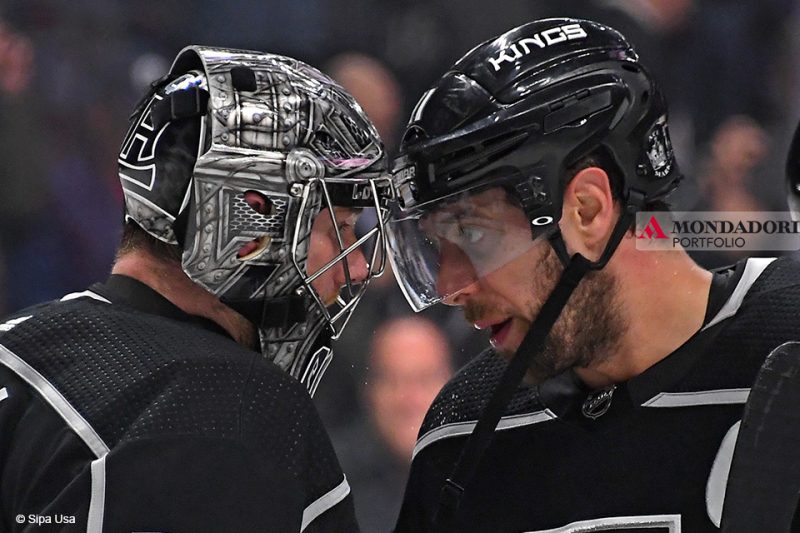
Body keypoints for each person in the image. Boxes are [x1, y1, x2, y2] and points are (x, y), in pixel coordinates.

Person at [386, 18, 800, 532]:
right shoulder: (462, 428)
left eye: (472, 235)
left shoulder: (789, 336)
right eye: (435, 245)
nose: (451, 287)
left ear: (587, 209)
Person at [0, 46, 394, 532]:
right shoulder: (238, 407)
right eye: (339, 228)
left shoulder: (14, 345)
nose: (356, 266)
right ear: (250, 218)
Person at [334, 316, 453, 532]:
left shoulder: (487, 478)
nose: (409, 399)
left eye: (424, 379)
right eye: (392, 381)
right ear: (368, 392)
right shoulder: (330, 482)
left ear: (454, 386)